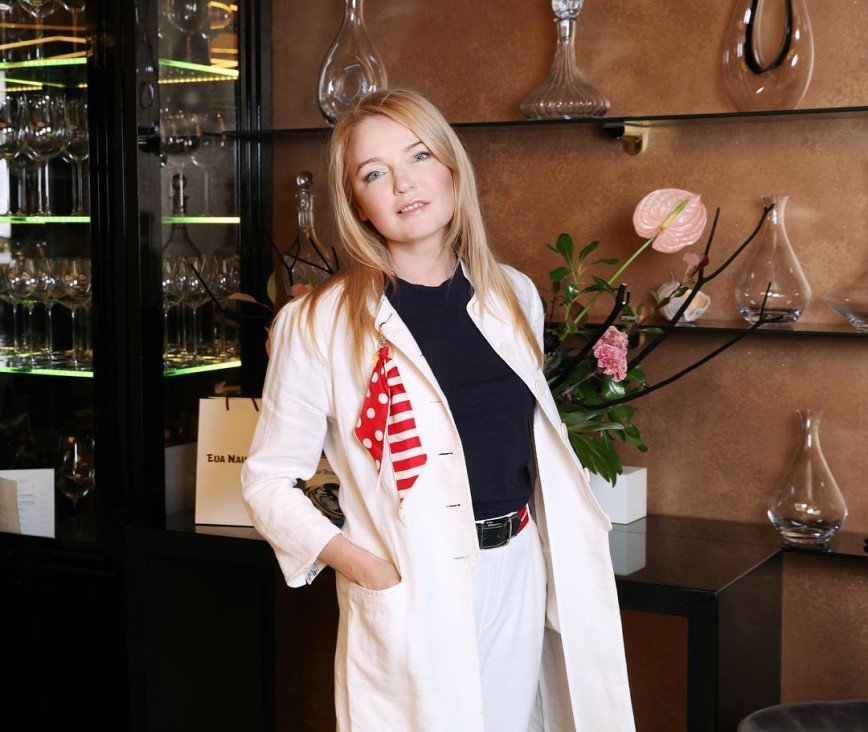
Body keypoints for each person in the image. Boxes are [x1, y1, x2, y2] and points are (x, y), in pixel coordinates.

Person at [241, 87, 635, 731]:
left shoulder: (514, 295)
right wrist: (364, 566)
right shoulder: (317, 323)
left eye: (418, 156)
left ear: (452, 167)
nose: (403, 184)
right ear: (358, 204)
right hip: (411, 579)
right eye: (374, 173)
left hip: (516, 564)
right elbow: (266, 482)